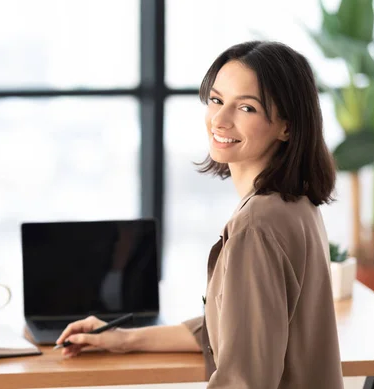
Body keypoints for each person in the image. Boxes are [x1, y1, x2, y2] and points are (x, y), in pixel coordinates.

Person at [56, 41, 344, 389]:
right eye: (217, 100)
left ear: (287, 126)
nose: (220, 120)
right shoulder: (294, 205)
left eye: (247, 108)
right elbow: (234, 325)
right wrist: (122, 339)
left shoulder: (257, 226)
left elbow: (245, 380)